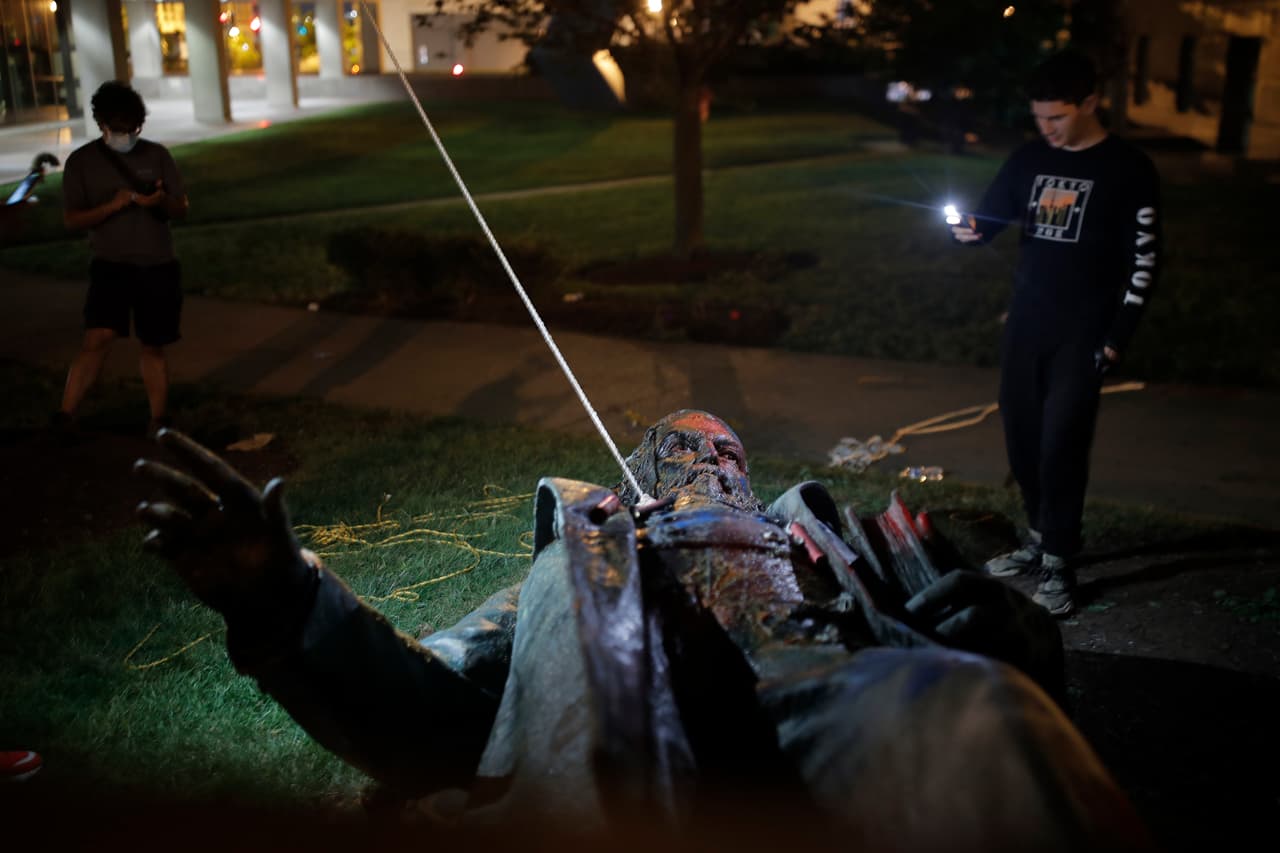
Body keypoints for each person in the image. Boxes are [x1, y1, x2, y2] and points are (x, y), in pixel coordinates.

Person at [133, 411, 1152, 850]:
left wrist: (1018, 637)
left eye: (712, 457)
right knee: (611, 789)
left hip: (819, 695)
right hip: (627, 719)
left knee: (975, 712)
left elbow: (983, 634)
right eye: (673, 457)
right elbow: (432, 709)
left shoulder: (813, 539)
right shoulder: (579, 560)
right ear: (637, 483)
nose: (695, 468)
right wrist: (279, 601)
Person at [950, 51, 1162, 617]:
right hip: (1027, 327)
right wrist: (970, 231)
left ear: (1090, 103)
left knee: (1061, 444)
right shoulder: (1027, 160)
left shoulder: (1128, 168)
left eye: (1058, 118)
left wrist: (1118, 334)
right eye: (1040, 119)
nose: (1047, 130)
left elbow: (1144, 260)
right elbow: (991, 218)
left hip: (1085, 333)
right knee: (1021, 441)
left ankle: (1061, 563)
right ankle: (1041, 539)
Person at [56, 80, 189, 436]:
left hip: (157, 264)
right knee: (97, 338)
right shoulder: (82, 163)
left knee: (154, 343)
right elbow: (72, 219)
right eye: (119, 129)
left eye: (133, 129)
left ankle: (158, 420)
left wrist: (158, 202)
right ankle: (65, 416)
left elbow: (182, 206)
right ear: (102, 123)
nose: (127, 136)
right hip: (110, 265)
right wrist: (113, 205)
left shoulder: (157, 155)